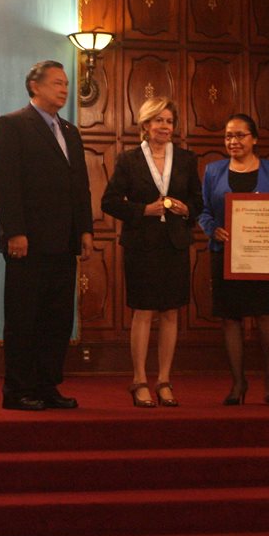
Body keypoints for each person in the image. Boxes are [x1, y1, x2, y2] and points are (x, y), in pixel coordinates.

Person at [0, 60, 94, 411]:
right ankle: (18, 390)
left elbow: (80, 185)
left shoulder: (70, 131)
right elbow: (4, 184)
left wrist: (85, 230)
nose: (64, 89)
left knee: (57, 319)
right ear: (34, 86)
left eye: (66, 83)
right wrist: (15, 231)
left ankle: (48, 385)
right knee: (24, 319)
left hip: (63, 243)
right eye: (56, 83)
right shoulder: (12, 125)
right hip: (27, 243)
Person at [101, 97, 203, 408]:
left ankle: (165, 380)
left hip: (174, 245)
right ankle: (139, 380)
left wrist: (188, 210)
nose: (165, 127)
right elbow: (110, 201)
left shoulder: (186, 159)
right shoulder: (129, 159)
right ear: (145, 125)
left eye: (169, 121)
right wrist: (143, 209)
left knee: (171, 313)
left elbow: (198, 202)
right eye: (158, 121)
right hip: (142, 246)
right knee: (143, 312)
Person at [198, 113, 269, 405]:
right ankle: (238, 383)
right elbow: (203, 211)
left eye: (239, 135)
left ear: (254, 139)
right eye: (228, 136)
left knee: (266, 314)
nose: (233, 141)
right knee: (230, 319)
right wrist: (213, 230)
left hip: (263, 255)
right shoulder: (213, 171)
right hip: (225, 255)